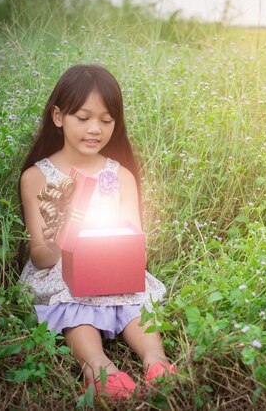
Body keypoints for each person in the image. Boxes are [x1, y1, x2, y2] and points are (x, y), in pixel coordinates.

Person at [18, 64, 175, 399]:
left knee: (134, 298)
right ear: (58, 116)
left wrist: (115, 259)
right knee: (73, 300)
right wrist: (63, 228)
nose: (95, 129)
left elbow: (136, 246)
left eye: (106, 120)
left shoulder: (120, 176)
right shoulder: (38, 177)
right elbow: (41, 256)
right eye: (83, 118)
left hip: (113, 262)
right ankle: (98, 368)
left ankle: (156, 359)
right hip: (60, 266)